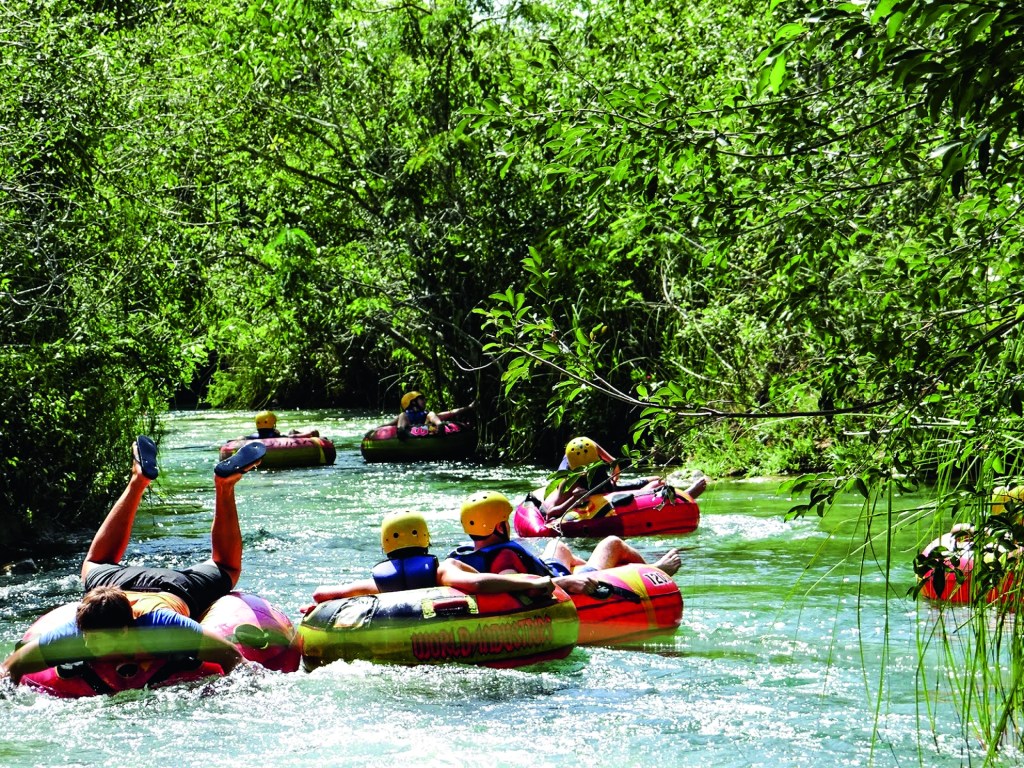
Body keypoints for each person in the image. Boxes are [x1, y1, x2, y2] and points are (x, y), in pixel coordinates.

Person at [0, 436, 267, 683]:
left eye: (100, 644)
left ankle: (223, 485)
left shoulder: (162, 625)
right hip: (111, 585)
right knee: (93, 564)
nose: (92, 648)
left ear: (128, 632)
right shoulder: (75, 632)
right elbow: (10, 668)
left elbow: (231, 656)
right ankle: (139, 479)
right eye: (90, 642)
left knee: (227, 567)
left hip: (173, 588)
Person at [448, 491, 682, 596]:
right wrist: (568, 581)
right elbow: (521, 584)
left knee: (559, 546)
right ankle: (654, 573)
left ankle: (610, 571)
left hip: (552, 567)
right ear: (499, 526)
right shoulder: (505, 558)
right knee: (612, 543)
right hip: (560, 579)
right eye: (505, 520)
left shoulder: (463, 556)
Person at [309, 511, 555, 604]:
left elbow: (322, 593)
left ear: (385, 545)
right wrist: (531, 582)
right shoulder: (441, 571)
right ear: (425, 538)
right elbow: (478, 584)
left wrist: (321, 607)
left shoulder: (382, 583)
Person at [543, 437, 707, 520]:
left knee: (657, 479)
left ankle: (673, 496)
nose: (587, 471)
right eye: (583, 470)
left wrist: (614, 473)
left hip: (606, 487)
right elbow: (551, 513)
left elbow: (612, 461)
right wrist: (575, 501)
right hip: (594, 495)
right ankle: (683, 496)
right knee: (654, 488)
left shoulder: (588, 446)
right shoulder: (567, 481)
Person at [394, 392, 474, 432]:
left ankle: (440, 425)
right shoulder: (404, 415)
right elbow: (388, 424)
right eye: (421, 398)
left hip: (425, 429)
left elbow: (451, 412)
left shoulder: (427, 414)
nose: (424, 401)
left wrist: (469, 407)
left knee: (431, 413)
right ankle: (401, 430)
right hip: (409, 430)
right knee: (402, 415)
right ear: (413, 402)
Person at [248, 410, 320, 440]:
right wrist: (310, 433)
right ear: (273, 423)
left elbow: (240, 439)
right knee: (292, 432)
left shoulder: (253, 436)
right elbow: (292, 437)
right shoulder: (275, 436)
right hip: (284, 436)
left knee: (292, 432)